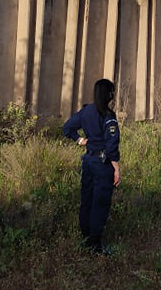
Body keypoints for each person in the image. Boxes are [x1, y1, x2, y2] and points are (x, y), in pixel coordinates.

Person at [63, 78, 121, 255]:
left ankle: (86, 237)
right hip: (102, 164)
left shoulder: (86, 110)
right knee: (100, 203)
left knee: (87, 200)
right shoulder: (108, 116)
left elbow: (67, 128)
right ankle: (95, 245)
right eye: (112, 92)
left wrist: (80, 140)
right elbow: (111, 145)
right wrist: (116, 168)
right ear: (108, 94)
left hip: (88, 161)